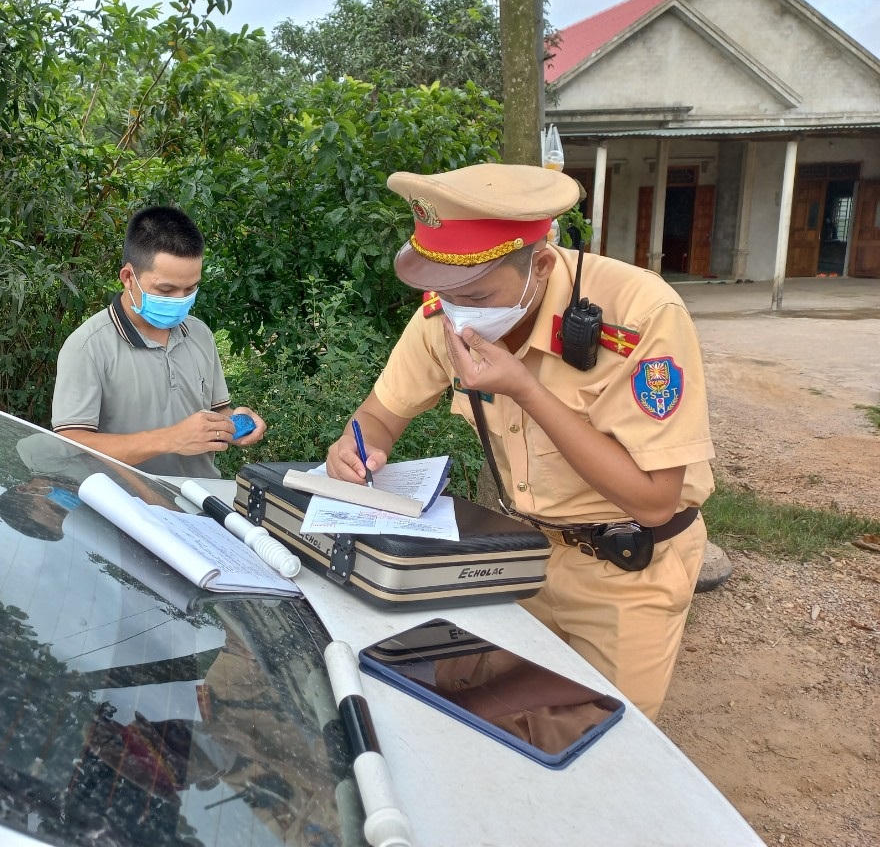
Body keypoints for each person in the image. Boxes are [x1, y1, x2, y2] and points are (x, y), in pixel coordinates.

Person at [325, 162, 714, 720]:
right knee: (484, 719)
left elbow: (654, 501)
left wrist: (526, 389)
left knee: (594, 737)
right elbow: (377, 415)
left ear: (541, 263)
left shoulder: (641, 314)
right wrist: (357, 444)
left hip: (629, 568)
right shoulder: (448, 310)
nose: (457, 313)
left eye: (477, 294)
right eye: (442, 292)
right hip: (523, 554)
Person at [52, 205, 265, 478]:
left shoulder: (199, 334)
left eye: (190, 289)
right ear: (129, 277)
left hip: (200, 499)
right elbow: (73, 443)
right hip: (124, 505)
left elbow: (217, 410)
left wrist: (234, 421)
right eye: (166, 290)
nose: (180, 300)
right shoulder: (88, 346)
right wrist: (170, 439)